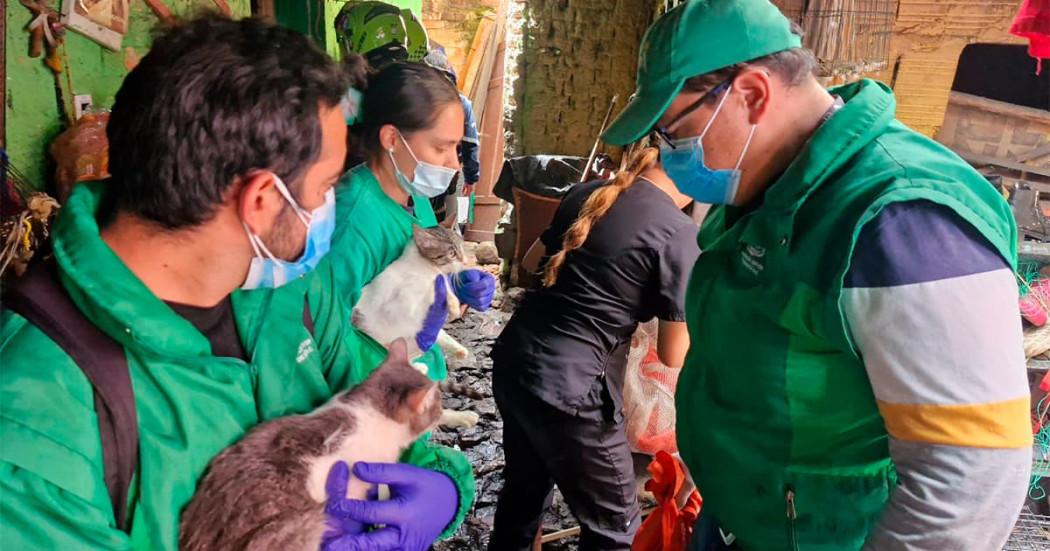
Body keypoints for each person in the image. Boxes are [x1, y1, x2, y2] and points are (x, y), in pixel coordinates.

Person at [0, 16, 469, 551]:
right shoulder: (34, 431)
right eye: (327, 187)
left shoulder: (295, 293)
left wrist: (444, 491)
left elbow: (393, 406)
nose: (332, 208)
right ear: (262, 202)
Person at [601, 1, 1031, 550]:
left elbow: (968, 481)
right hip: (748, 517)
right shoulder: (778, 185)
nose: (668, 152)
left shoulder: (901, 220)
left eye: (673, 131)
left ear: (752, 95)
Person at [488, 147, 700, 551]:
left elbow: (533, 264)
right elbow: (674, 354)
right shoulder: (677, 231)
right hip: (572, 390)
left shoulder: (585, 192)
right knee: (615, 527)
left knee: (524, 494)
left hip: (516, 361)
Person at [319, 57, 495, 487]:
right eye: (441, 147)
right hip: (376, 405)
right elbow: (326, 333)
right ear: (392, 138)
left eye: (457, 148)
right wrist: (407, 349)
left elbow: (413, 273)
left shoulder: (410, 199)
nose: (455, 164)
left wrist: (455, 282)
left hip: (411, 394)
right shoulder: (354, 218)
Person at [423, 48, 481, 230]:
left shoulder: (417, 100)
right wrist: (472, 178)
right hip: (451, 171)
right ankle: (458, 238)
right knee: (457, 214)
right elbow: (470, 144)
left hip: (421, 169)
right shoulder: (462, 104)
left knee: (425, 217)